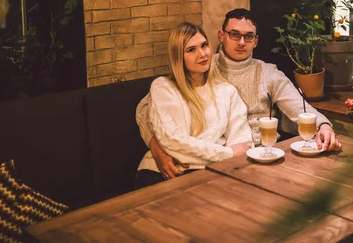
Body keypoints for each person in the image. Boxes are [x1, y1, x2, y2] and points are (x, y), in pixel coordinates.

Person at [140, 9, 342, 179]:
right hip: (215, 158)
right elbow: (145, 110)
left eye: (249, 36)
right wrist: (157, 149)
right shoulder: (203, 67)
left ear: (256, 41)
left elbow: (298, 106)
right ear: (221, 36)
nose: (241, 42)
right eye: (235, 35)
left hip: (256, 153)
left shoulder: (267, 73)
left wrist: (323, 125)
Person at [135, 22, 252, 187]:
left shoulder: (227, 91)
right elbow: (174, 142)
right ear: (178, 57)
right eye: (191, 50)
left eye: (204, 45)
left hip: (213, 171)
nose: (202, 54)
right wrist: (227, 153)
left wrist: (229, 155)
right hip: (163, 173)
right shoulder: (164, 88)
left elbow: (241, 142)